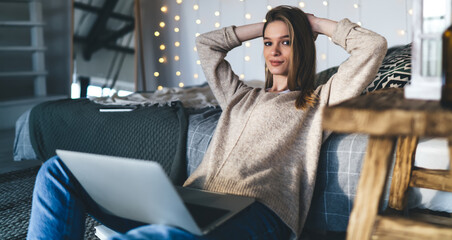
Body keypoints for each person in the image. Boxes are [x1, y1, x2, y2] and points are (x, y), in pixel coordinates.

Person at [27, 5, 387, 240]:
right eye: (267, 42)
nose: (274, 51)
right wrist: (265, 25)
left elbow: (372, 46)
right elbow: (207, 44)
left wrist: (313, 24)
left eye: (286, 42)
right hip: (189, 200)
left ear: (304, 46)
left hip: (258, 213)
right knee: (58, 169)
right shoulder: (239, 96)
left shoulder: (319, 100)